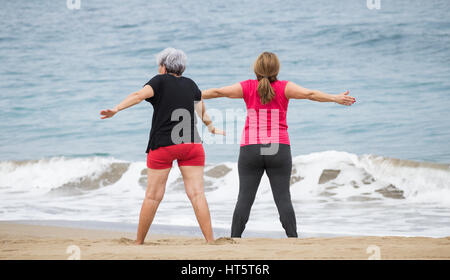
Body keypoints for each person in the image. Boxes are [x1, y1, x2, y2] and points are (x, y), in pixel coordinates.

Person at [202, 51, 355, 238]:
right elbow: (311, 94)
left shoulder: (247, 87)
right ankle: (293, 239)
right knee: (283, 198)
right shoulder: (285, 88)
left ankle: (235, 239)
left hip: (251, 148)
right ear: (277, 69)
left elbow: (218, 92)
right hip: (278, 148)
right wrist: (335, 98)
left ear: (256, 69)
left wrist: (192, 94)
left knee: (245, 198)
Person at [100, 48, 224, 244]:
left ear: (164, 66)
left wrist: (116, 109)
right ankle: (210, 240)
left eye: (159, 64)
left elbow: (138, 95)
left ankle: (139, 242)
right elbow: (200, 107)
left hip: (164, 145)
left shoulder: (159, 81)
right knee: (197, 193)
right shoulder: (191, 84)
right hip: (192, 144)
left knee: (153, 196)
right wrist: (211, 126)